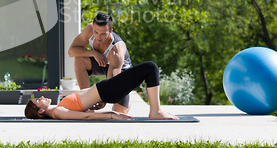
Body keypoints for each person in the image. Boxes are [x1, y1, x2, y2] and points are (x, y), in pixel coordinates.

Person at [24, 61, 178, 120]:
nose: (42, 96)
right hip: (107, 90)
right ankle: (155, 111)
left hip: (106, 92)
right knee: (150, 67)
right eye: (38, 100)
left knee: (148, 70)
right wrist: (112, 115)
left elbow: (86, 110)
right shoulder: (58, 112)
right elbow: (86, 116)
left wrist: (102, 105)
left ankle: (156, 110)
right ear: (40, 111)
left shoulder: (59, 108)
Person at [68, 12, 132, 113]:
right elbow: (71, 52)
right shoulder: (89, 29)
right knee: (79, 59)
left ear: (110, 31)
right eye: (96, 32)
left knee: (119, 112)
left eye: (103, 34)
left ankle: (126, 103)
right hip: (100, 62)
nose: (98, 37)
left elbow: (112, 83)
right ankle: (86, 100)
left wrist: (103, 98)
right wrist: (93, 53)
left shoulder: (116, 50)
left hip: (119, 71)